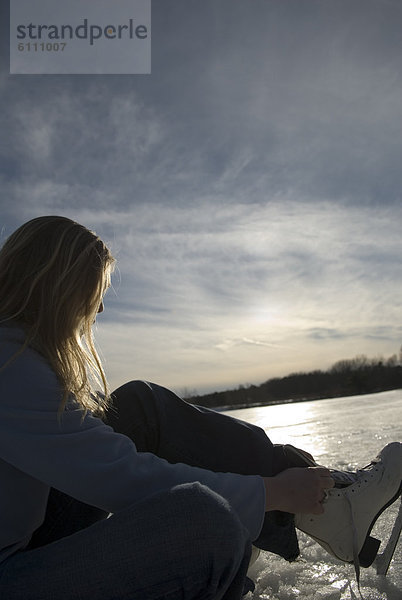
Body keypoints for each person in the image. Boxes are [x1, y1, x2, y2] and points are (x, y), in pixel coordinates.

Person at [0, 216, 400, 600]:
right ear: (58, 287)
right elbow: (125, 478)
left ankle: (330, 504)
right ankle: (298, 517)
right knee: (205, 526)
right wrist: (271, 492)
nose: (99, 310)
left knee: (139, 407)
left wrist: (270, 491)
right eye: (93, 292)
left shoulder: (18, 357)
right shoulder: (11, 368)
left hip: (25, 539)